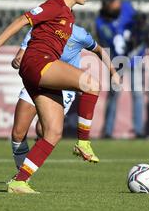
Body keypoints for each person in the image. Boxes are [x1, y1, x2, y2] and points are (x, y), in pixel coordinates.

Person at [0, 0, 120, 194]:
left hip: (39, 70)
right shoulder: (55, 5)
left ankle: (19, 181)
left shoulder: (68, 15)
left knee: (53, 132)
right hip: (37, 63)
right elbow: (24, 19)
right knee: (91, 83)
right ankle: (84, 143)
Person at [10, 24, 116, 172]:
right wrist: (17, 61)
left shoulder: (78, 34)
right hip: (38, 79)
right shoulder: (39, 28)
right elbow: (20, 55)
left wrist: (113, 72)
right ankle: (20, 174)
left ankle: (25, 172)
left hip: (64, 88)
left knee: (43, 130)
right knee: (18, 132)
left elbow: (99, 50)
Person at [96, 0, 149, 138]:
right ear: (107, 6)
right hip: (117, 59)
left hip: (135, 56)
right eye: (114, 4)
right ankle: (107, 131)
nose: (118, 5)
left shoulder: (127, 8)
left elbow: (140, 25)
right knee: (114, 94)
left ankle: (139, 130)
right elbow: (105, 42)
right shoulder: (101, 22)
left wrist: (139, 29)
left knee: (137, 93)